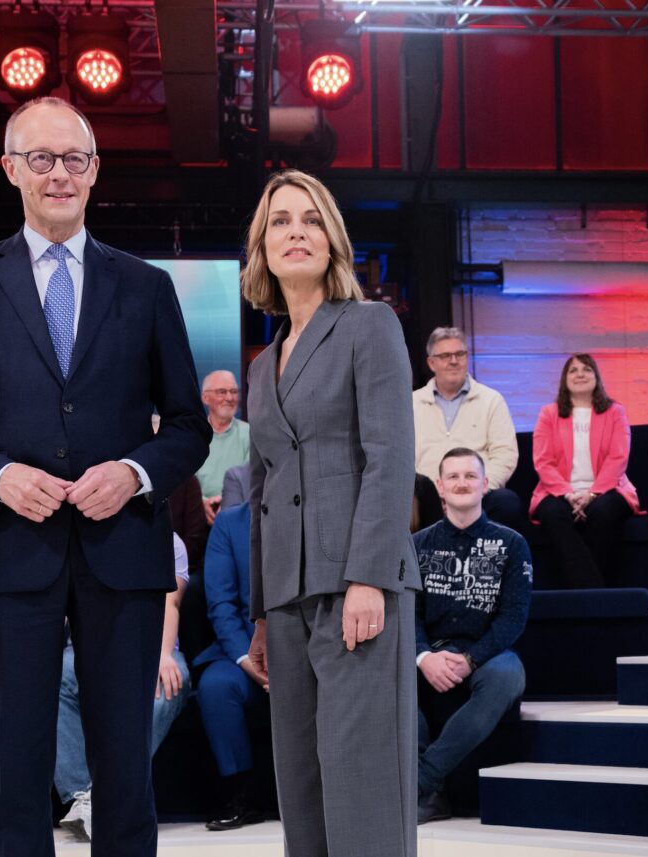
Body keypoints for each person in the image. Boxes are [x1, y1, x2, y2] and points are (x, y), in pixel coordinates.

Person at [0, 96, 210, 857]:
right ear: (11, 169)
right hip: (11, 549)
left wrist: (136, 473)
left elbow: (189, 425)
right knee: (16, 771)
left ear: (95, 170)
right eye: (40, 158)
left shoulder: (145, 285)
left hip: (126, 552)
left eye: (74, 159)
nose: (59, 174)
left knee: (125, 769)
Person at [242, 169, 420, 857]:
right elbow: (260, 494)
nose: (296, 232)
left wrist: (369, 576)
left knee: (361, 780)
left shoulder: (368, 325)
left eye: (311, 219)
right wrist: (261, 612)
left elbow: (390, 457)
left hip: (355, 586)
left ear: (333, 240)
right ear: (262, 247)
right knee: (303, 784)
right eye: (281, 221)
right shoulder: (262, 367)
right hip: (286, 599)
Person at [413, 448, 531, 824]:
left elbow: (513, 618)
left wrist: (471, 659)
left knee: (507, 676)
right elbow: (408, 615)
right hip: (431, 651)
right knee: (387, 674)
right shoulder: (417, 545)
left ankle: (421, 781)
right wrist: (423, 657)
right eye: (453, 476)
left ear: (485, 484)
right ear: (440, 487)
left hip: (487, 655)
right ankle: (431, 796)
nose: (462, 483)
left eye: (469, 476)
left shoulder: (512, 544)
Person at [56, 533, 191, 842]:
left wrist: (162, 654)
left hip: (152, 646)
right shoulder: (76, 536)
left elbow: (170, 602)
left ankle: (110, 790)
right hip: (84, 649)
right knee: (55, 677)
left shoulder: (168, 541)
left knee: (166, 685)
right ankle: (82, 794)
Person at [530, 354, 641, 589]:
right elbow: (543, 461)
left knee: (603, 511)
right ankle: (594, 590)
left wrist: (592, 494)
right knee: (552, 512)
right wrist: (568, 494)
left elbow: (618, 457)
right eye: (573, 370)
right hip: (558, 491)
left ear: (596, 377)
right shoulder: (548, 414)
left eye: (587, 369)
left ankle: (582, 594)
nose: (580, 374)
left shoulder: (615, 412)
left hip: (609, 489)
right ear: (564, 379)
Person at [193, 501, 266, 832]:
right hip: (243, 650)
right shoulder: (230, 522)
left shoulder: (314, 511)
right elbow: (222, 605)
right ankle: (240, 796)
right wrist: (249, 662)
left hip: (306, 647)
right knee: (216, 686)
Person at [411, 327, 525, 532]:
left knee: (507, 502)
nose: (453, 361)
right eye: (445, 356)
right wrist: (440, 493)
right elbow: (400, 458)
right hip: (428, 498)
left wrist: (475, 489)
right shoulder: (411, 403)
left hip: (479, 496)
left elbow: (505, 455)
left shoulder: (491, 400)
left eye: (460, 354)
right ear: (431, 363)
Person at [195, 370, 250, 525]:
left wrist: (227, 500)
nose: (230, 398)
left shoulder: (250, 433)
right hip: (197, 514)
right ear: (205, 398)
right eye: (222, 392)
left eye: (234, 392)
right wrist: (201, 502)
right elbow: (185, 480)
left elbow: (251, 479)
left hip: (239, 515)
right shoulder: (193, 437)